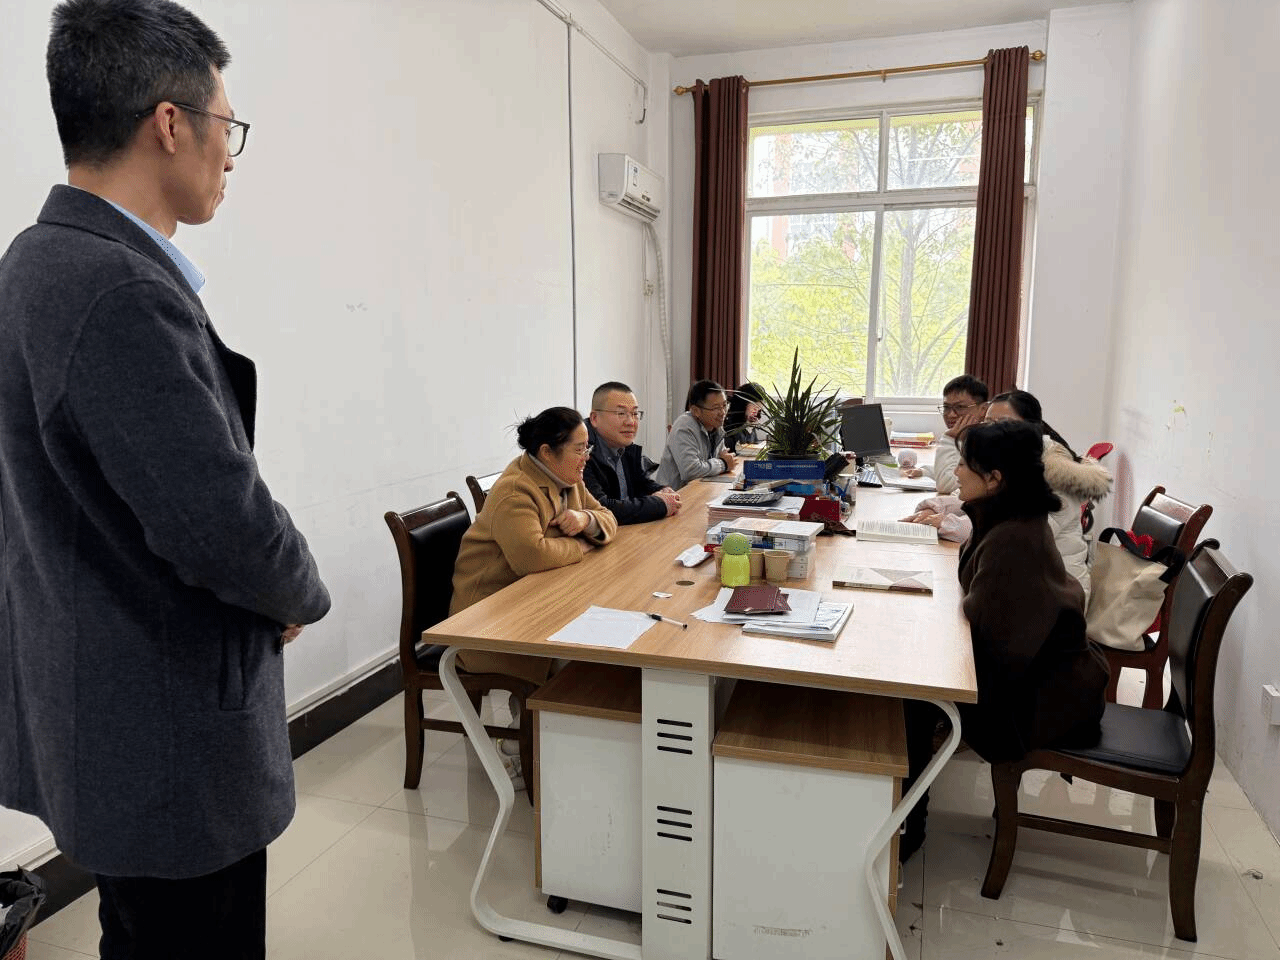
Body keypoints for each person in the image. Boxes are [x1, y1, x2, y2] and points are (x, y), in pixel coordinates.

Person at [0, 2, 331, 956]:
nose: (232, 154)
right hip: (168, 732)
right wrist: (298, 591)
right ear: (171, 124)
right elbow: (219, 520)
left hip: (104, 707)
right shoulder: (117, 288)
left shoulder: (36, 261)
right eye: (229, 126)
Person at [899, 420, 1110, 862]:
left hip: (1043, 700)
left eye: (966, 465)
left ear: (995, 478)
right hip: (1050, 678)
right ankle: (905, 810)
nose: (956, 472)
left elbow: (994, 644)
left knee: (915, 692)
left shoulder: (1013, 537)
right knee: (915, 675)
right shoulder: (1009, 517)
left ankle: (910, 827)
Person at [450, 406, 618, 685]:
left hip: (538, 600)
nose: (586, 458)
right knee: (589, 665)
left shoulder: (567, 478)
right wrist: (580, 546)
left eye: (587, 448)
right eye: (579, 450)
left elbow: (608, 518)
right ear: (547, 452)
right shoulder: (515, 490)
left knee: (603, 643)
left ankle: (537, 710)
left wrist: (585, 519)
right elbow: (531, 556)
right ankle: (534, 710)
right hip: (487, 621)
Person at [583, 381, 681, 524]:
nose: (631, 422)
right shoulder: (581, 451)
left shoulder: (624, 445)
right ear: (595, 418)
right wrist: (660, 504)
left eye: (635, 413)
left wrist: (663, 490)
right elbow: (601, 507)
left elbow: (640, 483)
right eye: (621, 413)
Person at [900, 374, 989, 494]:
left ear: (983, 409)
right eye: (946, 407)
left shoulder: (988, 442)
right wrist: (925, 472)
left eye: (960, 407)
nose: (951, 414)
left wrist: (949, 439)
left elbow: (946, 484)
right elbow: (960, 470)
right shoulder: (969, 437)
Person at [655, 380, 740, 488]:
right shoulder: (684, 427)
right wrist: (723, 464)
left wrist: (724, 461)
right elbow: (691, 471)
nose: (723, 412)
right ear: (696, 411)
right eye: (716, 408)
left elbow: (724, 457)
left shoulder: (716, 428)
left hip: (701, 489)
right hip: (675, 494)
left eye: (724, 405)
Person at [724, 381, 766, 452]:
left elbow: (753, 446)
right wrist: (747, 428)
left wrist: (749, 428)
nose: (756, 412)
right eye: (755, 407)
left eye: (759, 408)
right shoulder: (730, 423)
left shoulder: (749, 421)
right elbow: (738, 449)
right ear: (743, 403)